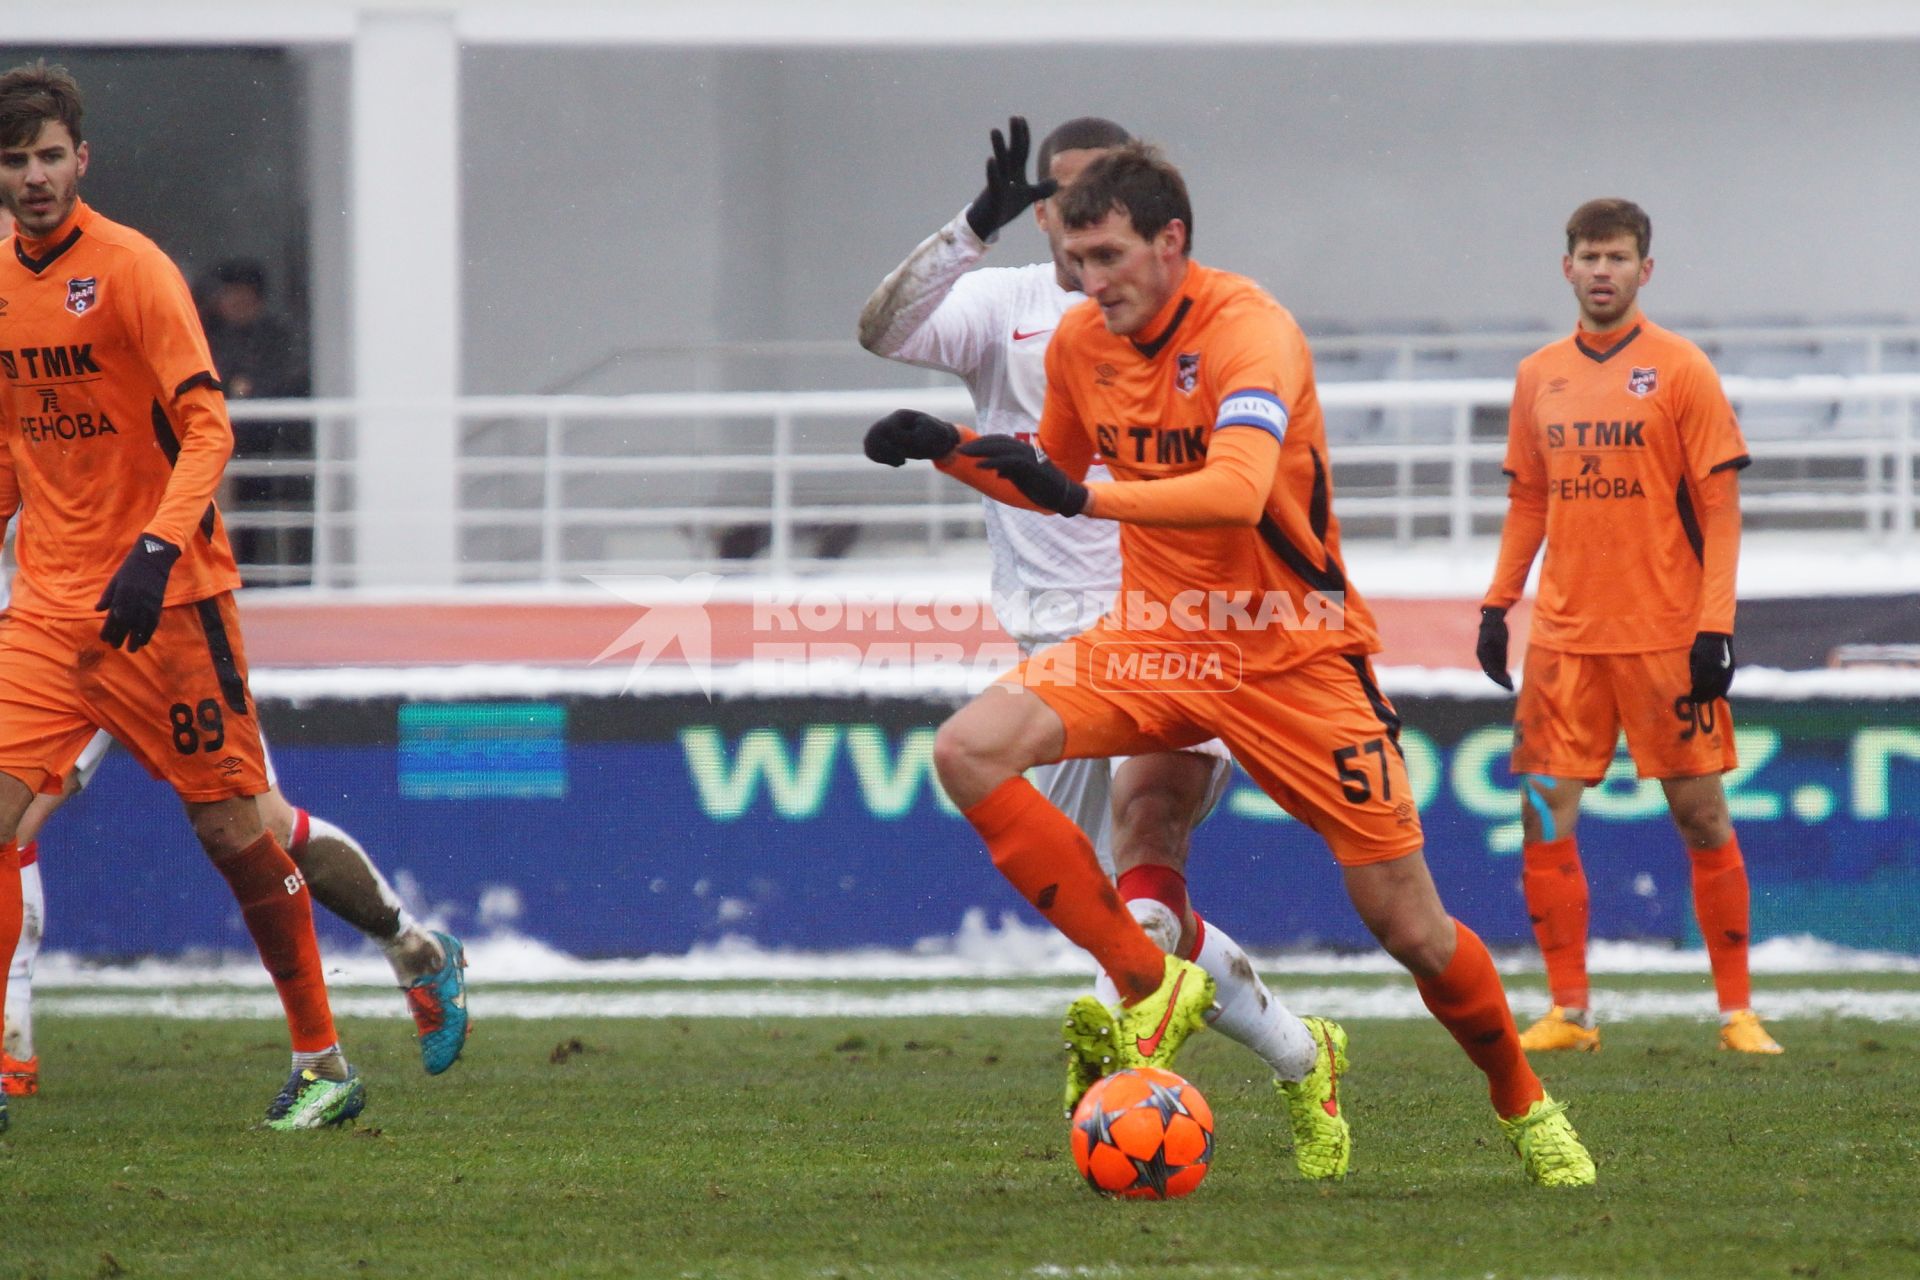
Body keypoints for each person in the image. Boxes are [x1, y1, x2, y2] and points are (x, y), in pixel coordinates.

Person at [866, 142, 1596, 1187]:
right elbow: (1052, 477)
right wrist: (947, 445)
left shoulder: (1250, 332)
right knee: (968, 750)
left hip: (1294, 656)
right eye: (1074, 255)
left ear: (1172, 242)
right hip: (1157, 635)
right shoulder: (1082, 342)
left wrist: (1080, 497)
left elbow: (1236, 489)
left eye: (1109, 253)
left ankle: (1523, 1102)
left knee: (1414, 927)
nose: (1089, 277)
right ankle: (1142, 977)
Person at [860, 117, 1350, 1181]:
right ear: (1042, 216)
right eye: (1064, 211)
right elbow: (881, 329)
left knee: (1148, 839)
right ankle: (1302, 1055)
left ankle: (1123, 1075)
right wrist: (965, 232)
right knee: (1136, 918)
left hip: (1180, 625)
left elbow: (1221, 469)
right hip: (1054, 633)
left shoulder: (1196, 324)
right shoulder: (1008, 304)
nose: (1086, 242)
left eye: (1105, 217)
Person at [0, 60, 353, 1131]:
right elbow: (14, 446)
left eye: (50, 156)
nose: (33, 178)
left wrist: (154, 551)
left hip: (172, 599)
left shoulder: (135, 271)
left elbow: (210, 426)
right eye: (14, 161)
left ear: (82, 158)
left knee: (238, 833)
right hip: (52, 604)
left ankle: (323, 1060)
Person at [1477, 198, 1781, 1056]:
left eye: (1618, 258)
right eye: (1589, 257)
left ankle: (1737, 1013)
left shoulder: (1681, 369)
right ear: (1566, 267)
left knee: (1703, 818)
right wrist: (1498, 604)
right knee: (1542, 815)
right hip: (1565, 643)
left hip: (1664, 639)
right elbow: (1528, 498)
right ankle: (1569, 1013)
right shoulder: (1539, 374)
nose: (1602, 271)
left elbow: (1720, 510)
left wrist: (1714, 625)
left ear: (1645, 271)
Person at [0, 727, 472, 1098]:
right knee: (11, 814)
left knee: (261, 827)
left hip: (168, 649)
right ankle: (12, 1043)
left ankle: (412, 955)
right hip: (54, 641)